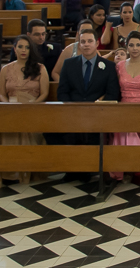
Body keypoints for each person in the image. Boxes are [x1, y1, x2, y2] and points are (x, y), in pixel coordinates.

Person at [51, 25, 120, 182]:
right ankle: (72, 169)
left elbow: (112, 93)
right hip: (73, 112)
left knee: (93, 134)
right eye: (83, 42)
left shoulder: (108, 67)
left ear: (96, 43)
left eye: (90, 41)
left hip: (98, 114)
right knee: (57, 132)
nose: (86, 44)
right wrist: (73, 109)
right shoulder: (69, 64)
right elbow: (62, 91)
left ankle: (90, 168)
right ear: (79, 44)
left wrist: (96, 108)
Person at [0, 34, 49, 188]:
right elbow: (1, 93)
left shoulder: (40, 68)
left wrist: (30, 106)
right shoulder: (6, 69)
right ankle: (6, 169)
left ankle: (24, 169)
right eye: (20, 47)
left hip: (32, 107)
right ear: (15, 49)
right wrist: (8, 106)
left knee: (24, 125)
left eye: (27, 47)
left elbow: (44, 93)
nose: (23, 50)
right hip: (10, 108)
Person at [108, 31, 140, 183]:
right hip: (124, 110)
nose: (135, 48)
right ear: (126, 47)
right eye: (131, 45)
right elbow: (115, 90)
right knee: (123, 127)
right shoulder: (119, 66)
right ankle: (125, 167)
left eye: (138, 45)